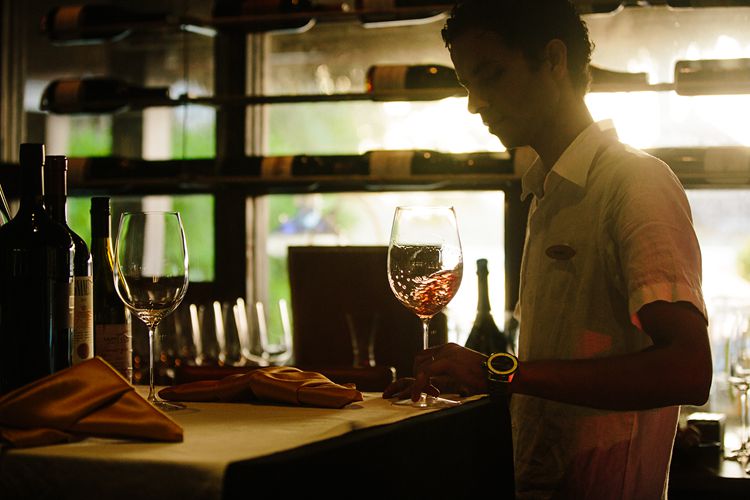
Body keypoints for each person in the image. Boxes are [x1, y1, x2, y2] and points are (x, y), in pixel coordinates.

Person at [383, 1, 712, 498]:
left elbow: (688, 371)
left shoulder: (634, 183)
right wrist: (474, 384)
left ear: (554, 60)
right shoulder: (547, 191)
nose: (475, 104)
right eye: (467, 85)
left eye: (491, 75)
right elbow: (557, 367)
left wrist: (499, 371)